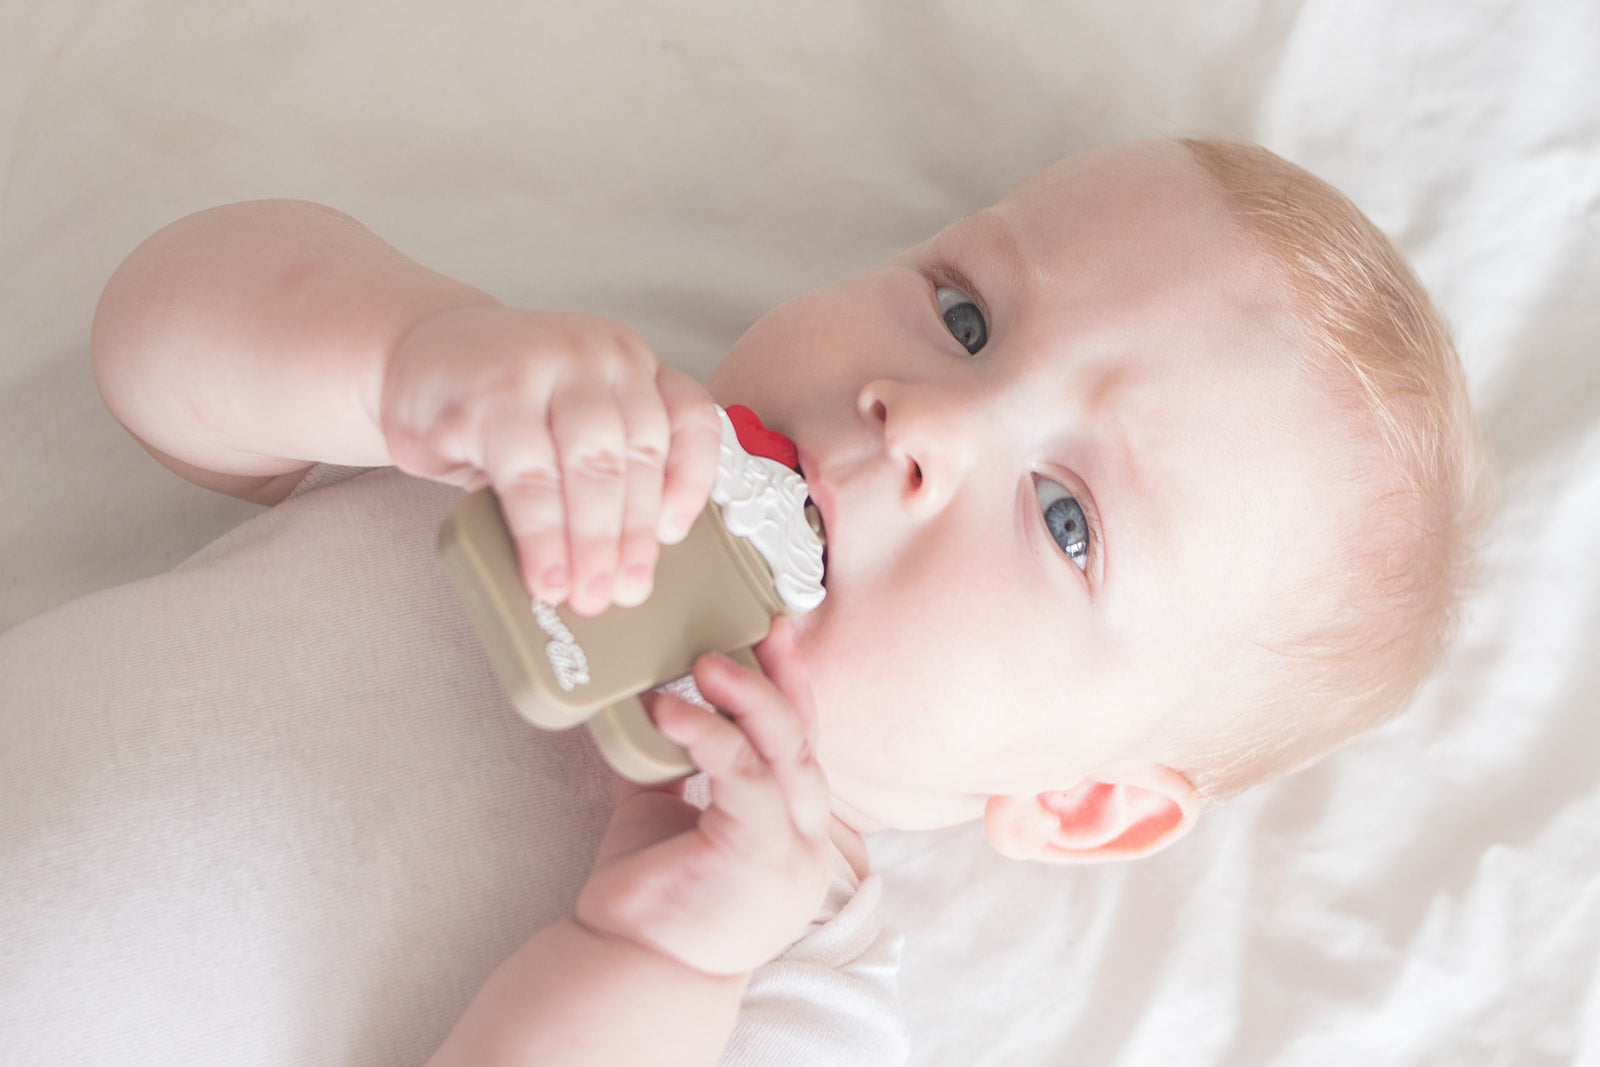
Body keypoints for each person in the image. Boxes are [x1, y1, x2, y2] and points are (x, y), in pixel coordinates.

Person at [0, 139, 1489, 1065]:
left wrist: (649, 964)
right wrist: (413, 354)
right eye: (967, 314)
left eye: (1066, 517)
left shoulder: (787, 994)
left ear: (1081, 802)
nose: (927, 420)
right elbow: (155, 348)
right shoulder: (551, 444)